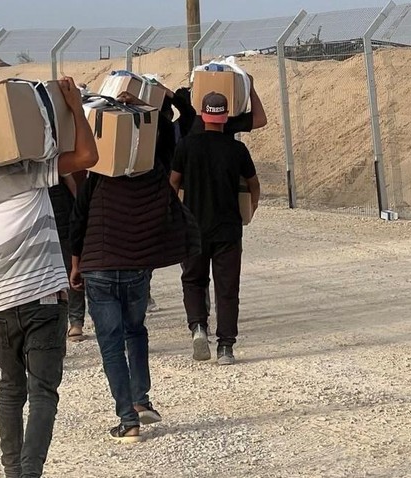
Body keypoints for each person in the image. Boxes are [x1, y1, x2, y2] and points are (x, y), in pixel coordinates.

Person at [0, 77, 98, 478]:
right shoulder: (26, 172)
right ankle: (30, 473)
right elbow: (86, 156)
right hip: (44, 299)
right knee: (43, 391)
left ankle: (13, 471)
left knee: (10, 390)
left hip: (0, 306)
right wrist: (74, 106)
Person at [69, 92, 200, 443]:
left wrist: (76, 263)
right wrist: (140, 107)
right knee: (135, 331)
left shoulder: (97, 174)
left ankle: (128, 419)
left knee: (111, 343)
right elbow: (163, 129)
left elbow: (78, 219)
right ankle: (141, 401)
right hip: (136, 268)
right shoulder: (154, 171)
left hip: (98, 266)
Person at [170, 92, 261, 366]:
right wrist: (250, 211)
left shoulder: (186, 146)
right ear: (225, 116)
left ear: (202, 113)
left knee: (193, 280)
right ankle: (225, 347)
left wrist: (176, 214)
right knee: (227, 288)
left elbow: (173, 183)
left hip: (194, 228)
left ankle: (198, 327)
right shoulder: (237, 150)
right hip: (228, 230)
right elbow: (254, 185)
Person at [49, 173, 88, 342]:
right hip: (53, 203)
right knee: (67, 266)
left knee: (68, 266)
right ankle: (71, 322)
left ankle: (72, 321)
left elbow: (67, 176)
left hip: (54, 205)